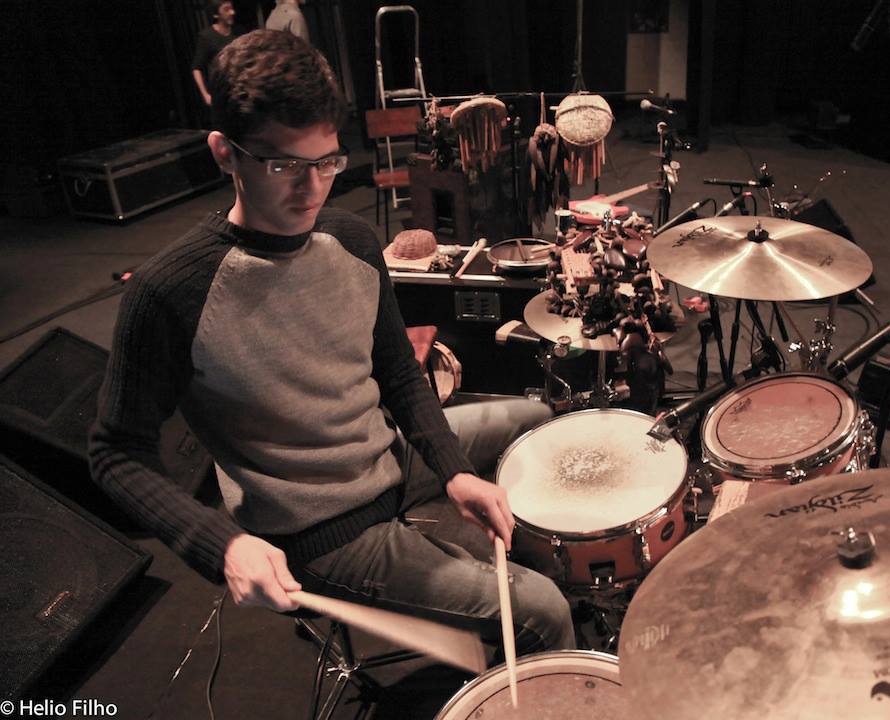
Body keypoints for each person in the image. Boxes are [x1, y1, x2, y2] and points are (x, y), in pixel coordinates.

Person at [89, 29, 575, 663]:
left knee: (537, 419)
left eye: (327, 162)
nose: (312, 188)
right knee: (544, 612)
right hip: (318, 533)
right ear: (224, 153)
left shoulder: (351, 240)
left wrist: (454, 470)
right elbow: (115, 454)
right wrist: (223, 544)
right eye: (283, 165)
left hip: (388, 461)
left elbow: (398, 374)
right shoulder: (170, 292)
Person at [191, 0, 237, 108]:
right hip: (221, 93)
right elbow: (196, 68)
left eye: (231, 8)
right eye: (226, 9)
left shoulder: (238, 31)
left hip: (239, 89)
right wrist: (205, 95)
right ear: (216, 15)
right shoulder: (207, 37)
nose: (232, 12)